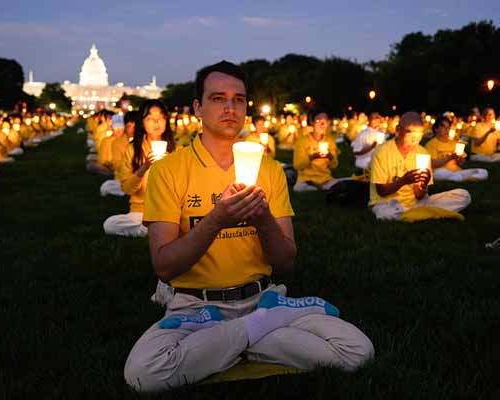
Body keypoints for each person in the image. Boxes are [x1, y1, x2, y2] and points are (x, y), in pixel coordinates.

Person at [124, 61, 374, 393]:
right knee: (144, 373)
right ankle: (262, 328)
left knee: (358, 350)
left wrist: (262, 218)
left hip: (261, 296)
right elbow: (165, 267)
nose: (230, 107)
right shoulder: (169, 170)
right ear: (198, 107)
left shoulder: (269, 170)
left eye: (238, 99)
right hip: (197, 307)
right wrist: (216, 220)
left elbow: (285, 261)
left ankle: (231, 340)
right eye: (217, 98)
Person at [369, 112, 471, 220]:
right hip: (387, 203)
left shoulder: (423, 154)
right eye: (410, 133)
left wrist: (423, 185)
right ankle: (424, 213)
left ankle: (415, 214)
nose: (415, 140)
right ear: (398, 130)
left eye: (419, 135)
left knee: (463, 196)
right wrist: (403, 181)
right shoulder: (382, 152)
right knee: (386, 213)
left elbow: (419, 195)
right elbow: (382, 192)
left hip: (416, 202)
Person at [103, 100, 177, 237]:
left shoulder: (177, 150)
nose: (156, 122)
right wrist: (144, 168)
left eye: (161, 117)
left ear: (166, 121)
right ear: (142, 122)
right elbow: (127, 188)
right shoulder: (133, 150)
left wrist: (168, 166)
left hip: (170, 210)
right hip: (141, 211)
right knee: (110, 224)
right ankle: (157, 231)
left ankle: (158, 230)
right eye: (150, 118)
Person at [292, 112, 343, 191]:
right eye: (319, 121)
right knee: (298, 188)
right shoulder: (302, 141)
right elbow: (297, 166)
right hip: (306, 180)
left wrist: (330, 157)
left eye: (325, 121)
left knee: (341, 185)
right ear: (312, 122)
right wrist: (312, 157)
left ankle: (320, 187)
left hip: (325, 179)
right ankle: (320, 188)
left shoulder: (330, 141)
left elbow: (334, 165)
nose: (322, 124)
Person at [426, 117, 487, 182]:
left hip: (457, 171)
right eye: (444, 127)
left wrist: (459, 160)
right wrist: (450, 157)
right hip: (440, 172)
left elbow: (462, 163)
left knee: (483, 172)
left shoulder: (455, 143)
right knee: (441, 173)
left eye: (448, 127)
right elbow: (432, 164)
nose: (447, 130)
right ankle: (464, 178)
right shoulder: (431, 144)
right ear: (436, 129)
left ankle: (460, 178)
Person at [100, 111, 139, 197]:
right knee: (106, 187)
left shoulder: (144, 141)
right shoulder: (117, 143)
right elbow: (117, 164)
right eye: (129, 126)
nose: (133, 130)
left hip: (141, 179)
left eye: (135, 127)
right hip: (124, 179)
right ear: (125, 127)